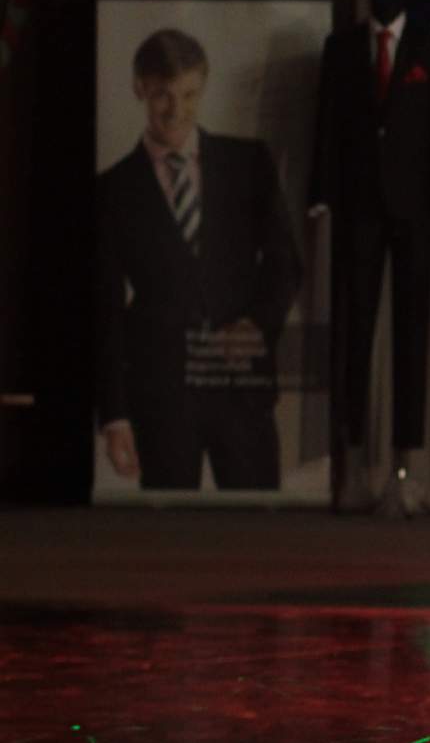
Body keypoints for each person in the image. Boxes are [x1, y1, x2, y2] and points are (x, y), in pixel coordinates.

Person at [95, 28, 302, 490]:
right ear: (139, 89)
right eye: (162, 96)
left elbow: (285, 261)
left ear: (203, 86)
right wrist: (115, 415)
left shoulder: (248, 162)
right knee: (170, 530)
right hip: (160, 396)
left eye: (189, 95)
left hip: (242, 389)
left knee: (257, 525)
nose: (177, 110)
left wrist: (257, 324)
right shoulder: (111, 190)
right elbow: (104, 308)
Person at [309, 4, 430, 517]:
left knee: (411, 336)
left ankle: (405, 470)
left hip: (415, 210)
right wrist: (321, 191)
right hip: (358, 209)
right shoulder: (342, 49)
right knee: (355, 334)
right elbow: (327, 121)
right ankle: (352, 469)